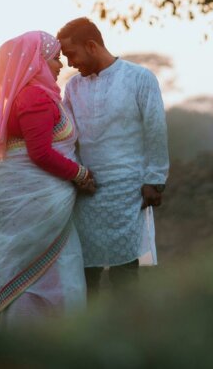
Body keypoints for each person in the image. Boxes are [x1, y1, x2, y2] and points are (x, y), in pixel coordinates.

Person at [0, 31, 96, 327]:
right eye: (55, 58)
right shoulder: (34, 96)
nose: (60, 65)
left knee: (48, 270)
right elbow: (40, 153)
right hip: (33, 200)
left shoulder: (38, 95)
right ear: (37, 62)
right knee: (50, 275)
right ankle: (38, 345)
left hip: (38, 200)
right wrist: (81, 175)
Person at [58, 17, 169, 293]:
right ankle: (89, 333)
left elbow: (155, 129)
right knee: (86, 275)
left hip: (129, 192)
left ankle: (125, 332)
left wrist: (155, 180)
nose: (70, 64)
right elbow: (68, 140)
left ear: (92, 45)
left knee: (125, 276)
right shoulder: (72, 88)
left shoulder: (140, 78)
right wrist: (77, 175)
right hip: (86, 192)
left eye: (72, 55)